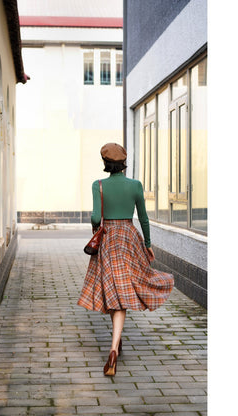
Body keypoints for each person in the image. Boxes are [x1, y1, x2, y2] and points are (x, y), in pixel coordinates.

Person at [77, 143, 174, 376]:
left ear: (105, 164)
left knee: (112, 288)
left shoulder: (98, 185)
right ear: (124, 163)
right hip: (129, 239)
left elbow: (95, 216)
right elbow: (144, 218)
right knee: (121, 290)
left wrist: (95, 228)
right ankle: (115, 343)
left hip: (108, 239)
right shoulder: (135, 185)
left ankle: (113, 348)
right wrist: (148, 245)